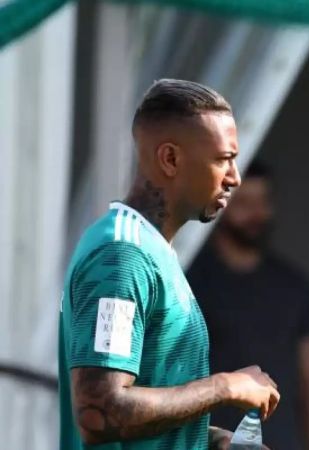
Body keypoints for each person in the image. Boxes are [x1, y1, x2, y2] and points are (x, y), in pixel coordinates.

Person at [58, 79, 280, 450]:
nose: (234, 178)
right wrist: (224, 386)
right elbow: (99, 411)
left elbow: (137, 411)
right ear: (171, 159)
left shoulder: (153, 252)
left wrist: (208, 441)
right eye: (223, 159)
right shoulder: (121, 256)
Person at [187, 161, 309, 450]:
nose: (257, 213)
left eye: (263, 201)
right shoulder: (188, 283)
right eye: (244, 203)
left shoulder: (294, 287)